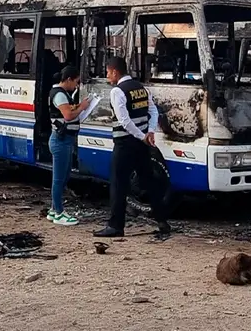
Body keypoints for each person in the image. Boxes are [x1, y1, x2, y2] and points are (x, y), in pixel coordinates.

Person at [94, 57, 171, 238]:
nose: (107, 76)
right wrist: (149, 132)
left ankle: (115, 226)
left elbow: (124, 121)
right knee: (149, 181)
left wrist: (142, 135)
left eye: (108, 72)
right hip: (142, 144)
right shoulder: (141, 88)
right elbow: (153, 111)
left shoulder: (117, 91)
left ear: (115, 72)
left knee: (118, 183)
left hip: (125, 143)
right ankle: (162, 221)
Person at [46, 65, 89, 226]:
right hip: (60, 140)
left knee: (64, 177)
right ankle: (59, 213)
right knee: (59, 178)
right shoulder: (59, 95)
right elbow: (68, 115)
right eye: (76, 82)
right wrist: (82, 107)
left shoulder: (62, 94)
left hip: (64, 140)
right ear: (69, 79)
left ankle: (53, 209)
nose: (76, 86)